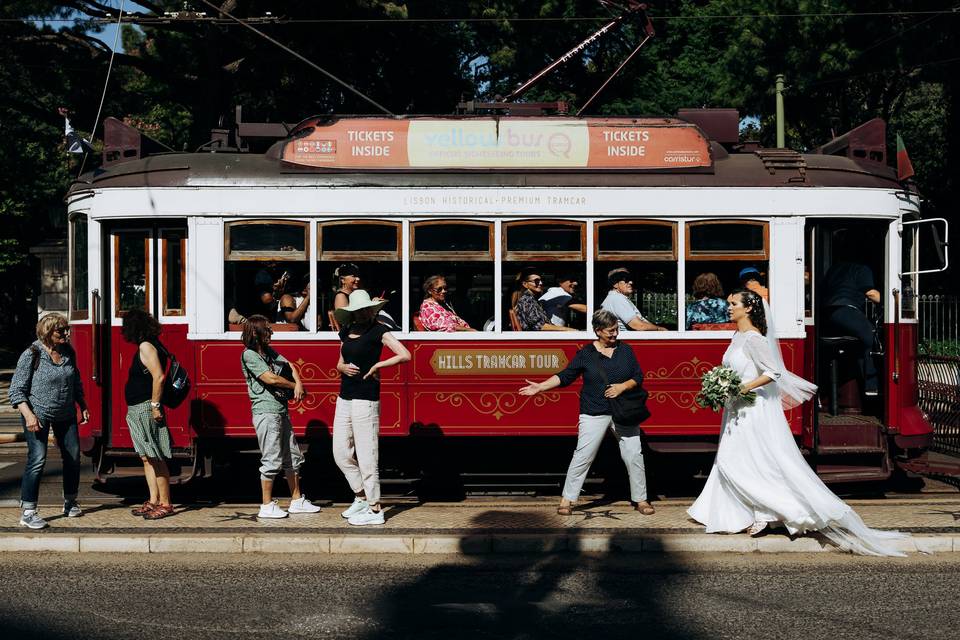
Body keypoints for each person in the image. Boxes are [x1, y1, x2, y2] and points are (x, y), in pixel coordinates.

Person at [687, 289, 908, 556]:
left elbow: (773, 372)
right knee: (736, 458)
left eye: (733, 304)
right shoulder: (738, 336)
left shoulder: (754, 338)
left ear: (748, 309)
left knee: (748, 459)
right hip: (737, 409)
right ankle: (735, 511)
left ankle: (769, 512)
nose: (728, 307)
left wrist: (742, 388)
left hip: (752, 409)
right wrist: (723, 385)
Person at [520, 310, 654, 515]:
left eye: (616, 329)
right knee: (583, 455)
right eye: (610, 331)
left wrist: (622, 387)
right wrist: (541, 387)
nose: (615, 334)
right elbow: (565, 376)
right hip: (594, 411)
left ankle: (641, 500)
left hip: (624, 412)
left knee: (634, 455)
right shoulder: (586, 354)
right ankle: (567, 500)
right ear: (598, 331)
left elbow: (638, 376)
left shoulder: (626, 350)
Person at [333, 290, 411, 525]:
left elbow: (405, 355)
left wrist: (378, 364)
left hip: (366, 398)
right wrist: (342, 368)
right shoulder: (345, 331)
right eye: (359, 310)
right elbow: (340, 362)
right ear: (353, 312)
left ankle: (376, 510)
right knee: (341, 454)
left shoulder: (379, 331)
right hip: (345, 397)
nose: (364, 313)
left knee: (367, 457)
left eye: (367, 309)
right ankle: (361, 497)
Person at [9, 313, 88, 529]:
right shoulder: (32, 354)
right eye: (61, 331)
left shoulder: (68, 352)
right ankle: (28, 511)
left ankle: (70, 502)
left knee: (72, 458)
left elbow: (76, 380)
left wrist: (82, 404)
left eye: (66, 329)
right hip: (37, 414)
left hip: (66, 413)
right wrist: (29, 415)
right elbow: (16, 391)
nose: (66, 334)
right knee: (37, 459)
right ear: (47, 332)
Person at [240, 315, 321, 519]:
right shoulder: (249, 355)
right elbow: (270, 378)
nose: (271, 332)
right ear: (257, 333)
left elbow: (290, 365)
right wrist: (296, 387)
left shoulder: (269, 351)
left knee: (292, 457)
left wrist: (299, 383)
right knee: (271, 458)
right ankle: (266, 505)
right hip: (266, 412)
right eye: (267, 329)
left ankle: (296, 500)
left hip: (280, 410)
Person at [121, 309, 176, 520]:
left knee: (155, 456)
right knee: (147, 457)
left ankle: (165, 503)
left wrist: (154, 405)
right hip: (137, 408)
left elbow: (159, 377)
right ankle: (153, 500)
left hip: (145, 408)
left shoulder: (146, 346)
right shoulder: (152, 344)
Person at [822, 260, 882, 395]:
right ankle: (871, 385)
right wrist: (889, 301)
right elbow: (871, 293)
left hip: (825, 314)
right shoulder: (862, 268)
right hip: (845, 310)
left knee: (859, 342)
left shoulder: (834, 269)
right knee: (870, 334)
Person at [601, 269, 667, 331]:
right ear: (615, 284)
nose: (631, 282)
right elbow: (638, 325)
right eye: (626, 280)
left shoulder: (616, 297)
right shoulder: (617, 299)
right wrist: (659, 329)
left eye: (630, 280)